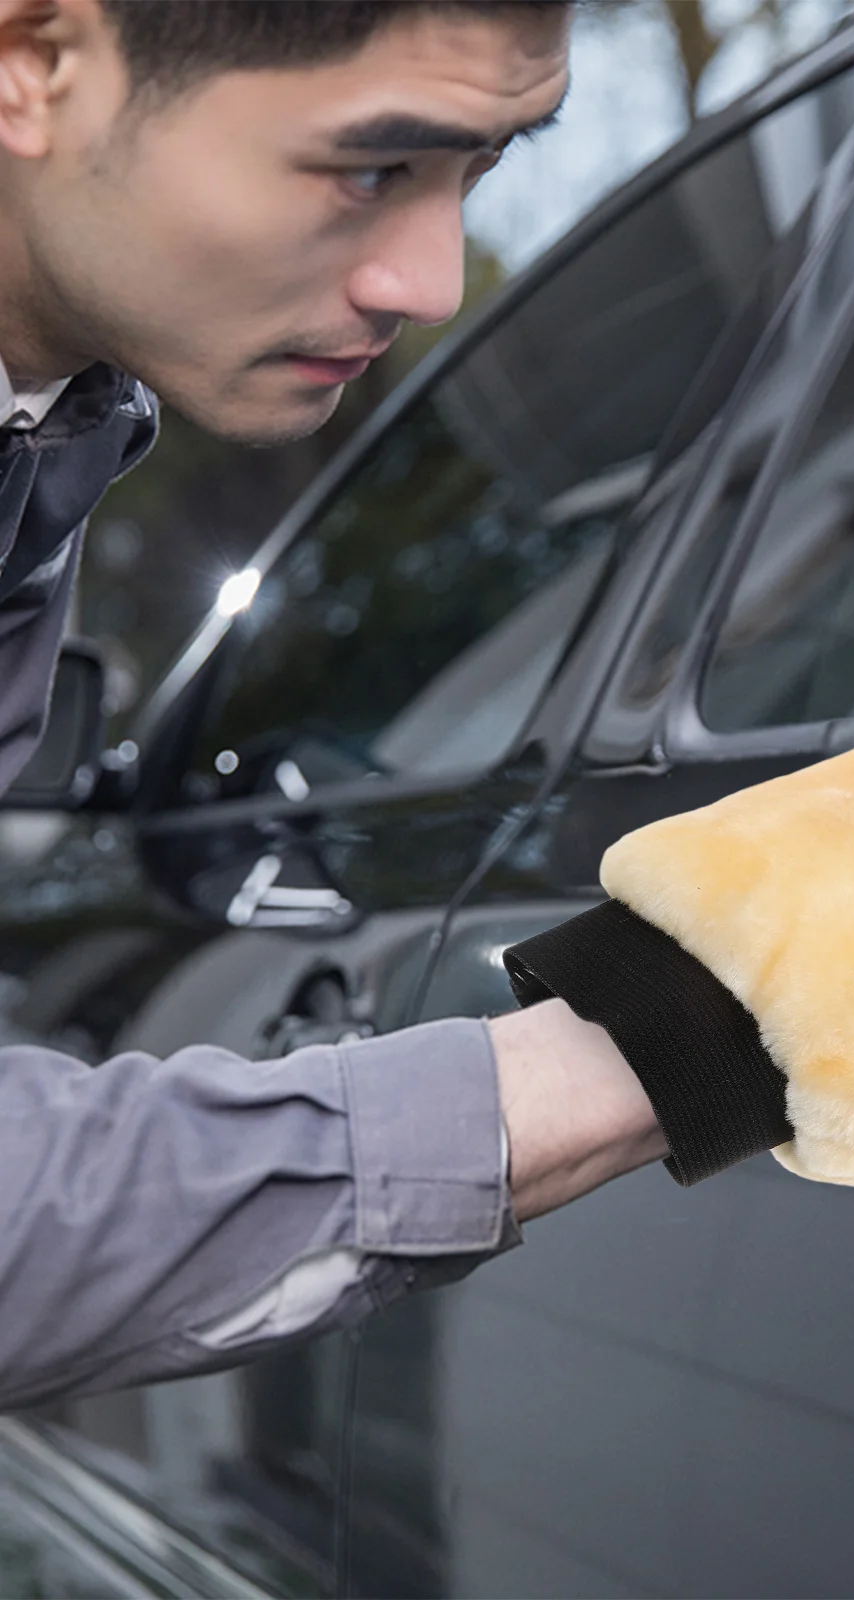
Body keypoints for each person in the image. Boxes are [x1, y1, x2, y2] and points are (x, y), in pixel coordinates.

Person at [0, 0, 671, 1412]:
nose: (430, 281)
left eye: (477, 172)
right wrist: (672, 1031)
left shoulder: (47, 425)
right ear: (36, 63)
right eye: (373, 170)